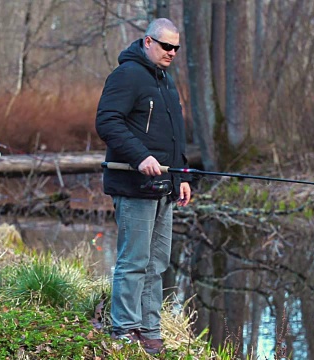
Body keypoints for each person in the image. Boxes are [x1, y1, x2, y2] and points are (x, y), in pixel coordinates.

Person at [95, 18, 192, 355]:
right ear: (148, 41)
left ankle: (150, 331)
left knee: (157, 264)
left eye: (177, 48)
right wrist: (140, 157)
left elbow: (176, 136)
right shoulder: (126, 76)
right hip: (134, 186)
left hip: (164, 188)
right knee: (133, 261)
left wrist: (182, 178)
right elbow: (107, 121)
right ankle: (123, 330)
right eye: (167, 46)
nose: (173, 53)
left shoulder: (166, 82)